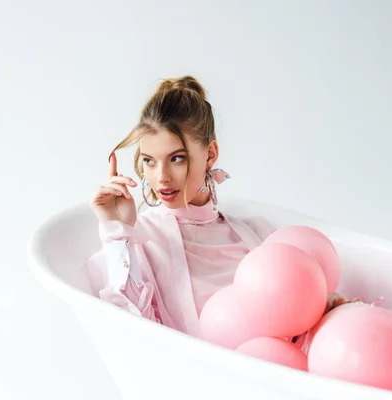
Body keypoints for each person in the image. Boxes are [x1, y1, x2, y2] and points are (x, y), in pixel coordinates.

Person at [86, 75, 354, 339]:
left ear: (211, 154)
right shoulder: (141, 239)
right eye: (149, 161)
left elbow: (286, 328)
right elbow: (129, 334)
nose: (161, 177)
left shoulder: (257, 234)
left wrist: (322, 311)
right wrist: (116, 230)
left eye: (177, 158)